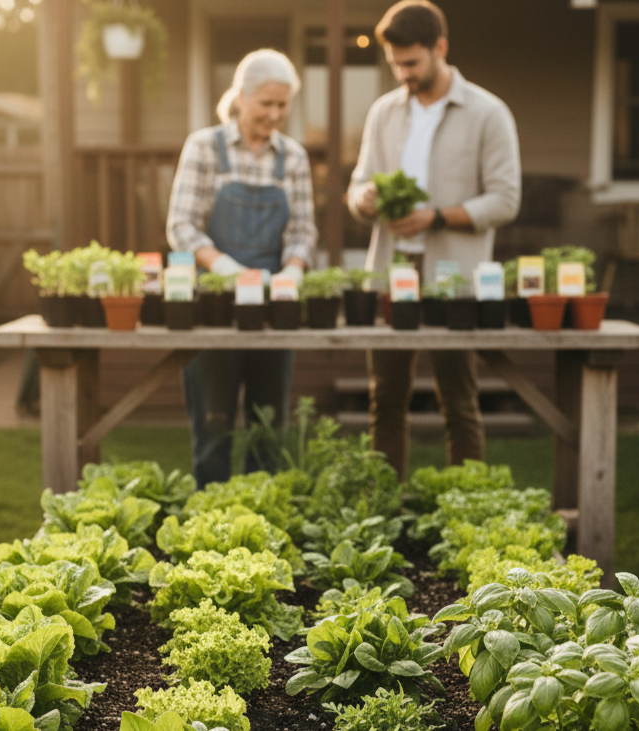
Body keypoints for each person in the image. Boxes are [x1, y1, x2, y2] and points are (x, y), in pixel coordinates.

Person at [347, 0, 521, 480]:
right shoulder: (384, 113)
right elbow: (358, 184)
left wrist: (436, 218)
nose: (402, 73)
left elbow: (506, 200)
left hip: (453, 278)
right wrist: (364, 199)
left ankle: (466, 500)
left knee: (459, 401)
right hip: (392, 272)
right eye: (395, 64)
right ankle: (384, 505)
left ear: (440, 48)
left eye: (411, 63)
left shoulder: (487, 113)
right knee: (386, 398)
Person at [166, 48, 316, 488]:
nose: (275, 114)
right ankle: (210, 509)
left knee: (268, 422)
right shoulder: (205, 148)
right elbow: (181, 225)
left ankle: (261, 510)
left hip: (273, 306)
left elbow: (302, 230)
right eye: (266, 103)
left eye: (283, 105)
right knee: (214, 422)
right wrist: (226, 268)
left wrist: (292, 271)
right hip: (215, 303)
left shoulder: (293, 157)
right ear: (240, 97)